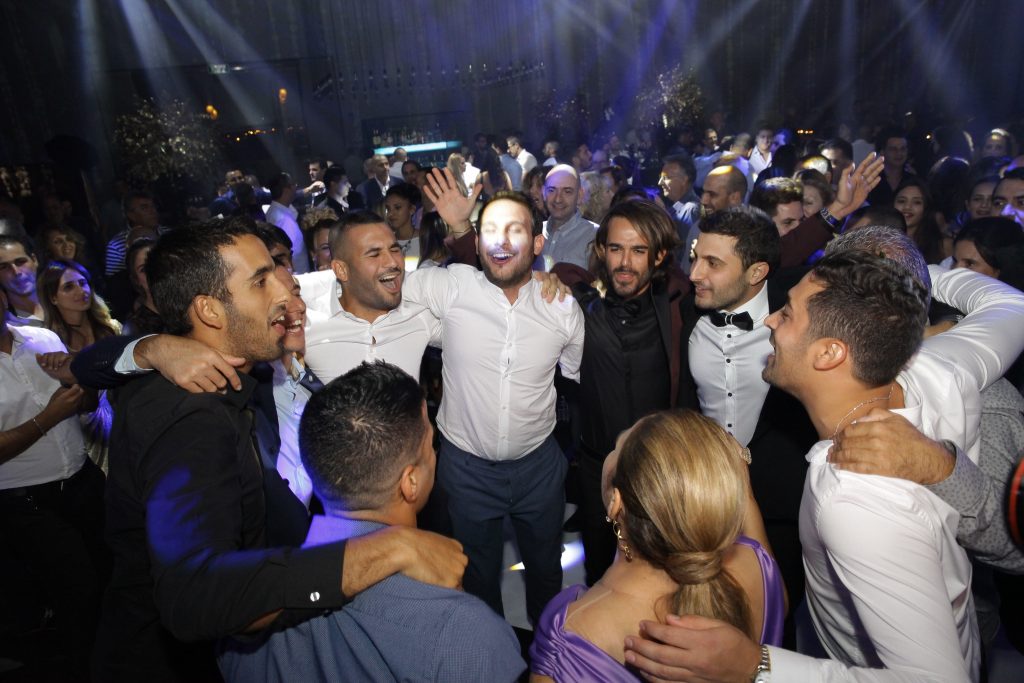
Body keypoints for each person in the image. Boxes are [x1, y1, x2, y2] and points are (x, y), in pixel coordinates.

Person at [87, 217, 466, 682]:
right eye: (261, 281)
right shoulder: (192, 420)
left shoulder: (241, 385)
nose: (285, 290)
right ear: (210, 310)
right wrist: (388, 549)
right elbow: (194, 597)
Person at [624, 244, 1024, 681]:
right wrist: (908, 275)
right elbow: (1013, 306)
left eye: (787, 314)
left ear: (829, 353)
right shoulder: (939, 369)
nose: (770, 320)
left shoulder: (854, 500)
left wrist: (755, 666)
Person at [218, 361, 526, 683]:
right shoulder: (468, 636)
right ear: (410, 482)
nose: (435, 453)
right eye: (430, 443)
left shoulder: (240, 618)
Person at [402, 190, 585, 624]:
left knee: (545, 569)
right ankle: (493, 653)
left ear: (537, 243)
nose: (500, 241)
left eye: (514, 230)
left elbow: (575, 378)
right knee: (478, 578)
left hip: (538, 467)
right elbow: (379, 285)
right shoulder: (450, 286)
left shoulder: (562, 307)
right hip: (466, 470)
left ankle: (549, 649)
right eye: (489, 231)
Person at [530, 410, 785, 682]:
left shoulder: (568, 639)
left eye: (618, 447)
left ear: (616, 503)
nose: (616, 443)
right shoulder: (756, 564)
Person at [0, 285, 105, 679]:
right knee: (78, 595)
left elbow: (87, 402)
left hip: (83, 479)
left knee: (114, 576)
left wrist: (76, 380)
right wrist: (48, 416)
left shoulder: (41, 337)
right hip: (25, 502)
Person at [541, 164, 599, 271]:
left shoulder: (594, 235)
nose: (558, 199)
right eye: (552, 190)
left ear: (580, 195)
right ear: (543, 193)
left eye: (567, 191)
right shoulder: (533, 232)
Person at [893, 176, 946, 263]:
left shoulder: (942, 245)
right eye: (901, 201)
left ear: (926, 207)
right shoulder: (881, 239)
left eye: (917, 202)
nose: (907, 207)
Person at [122, 237, 163, 336]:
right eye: (143, 269)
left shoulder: (187, 307)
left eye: (156, 263)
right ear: (136, 279)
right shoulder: (135, 328)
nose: (152, 271)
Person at [0, 234, 44, 325]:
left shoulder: (65, 303)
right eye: (4, 267)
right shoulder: (5, 326)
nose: (16, 272)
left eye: (20, 262)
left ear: (34, 260)